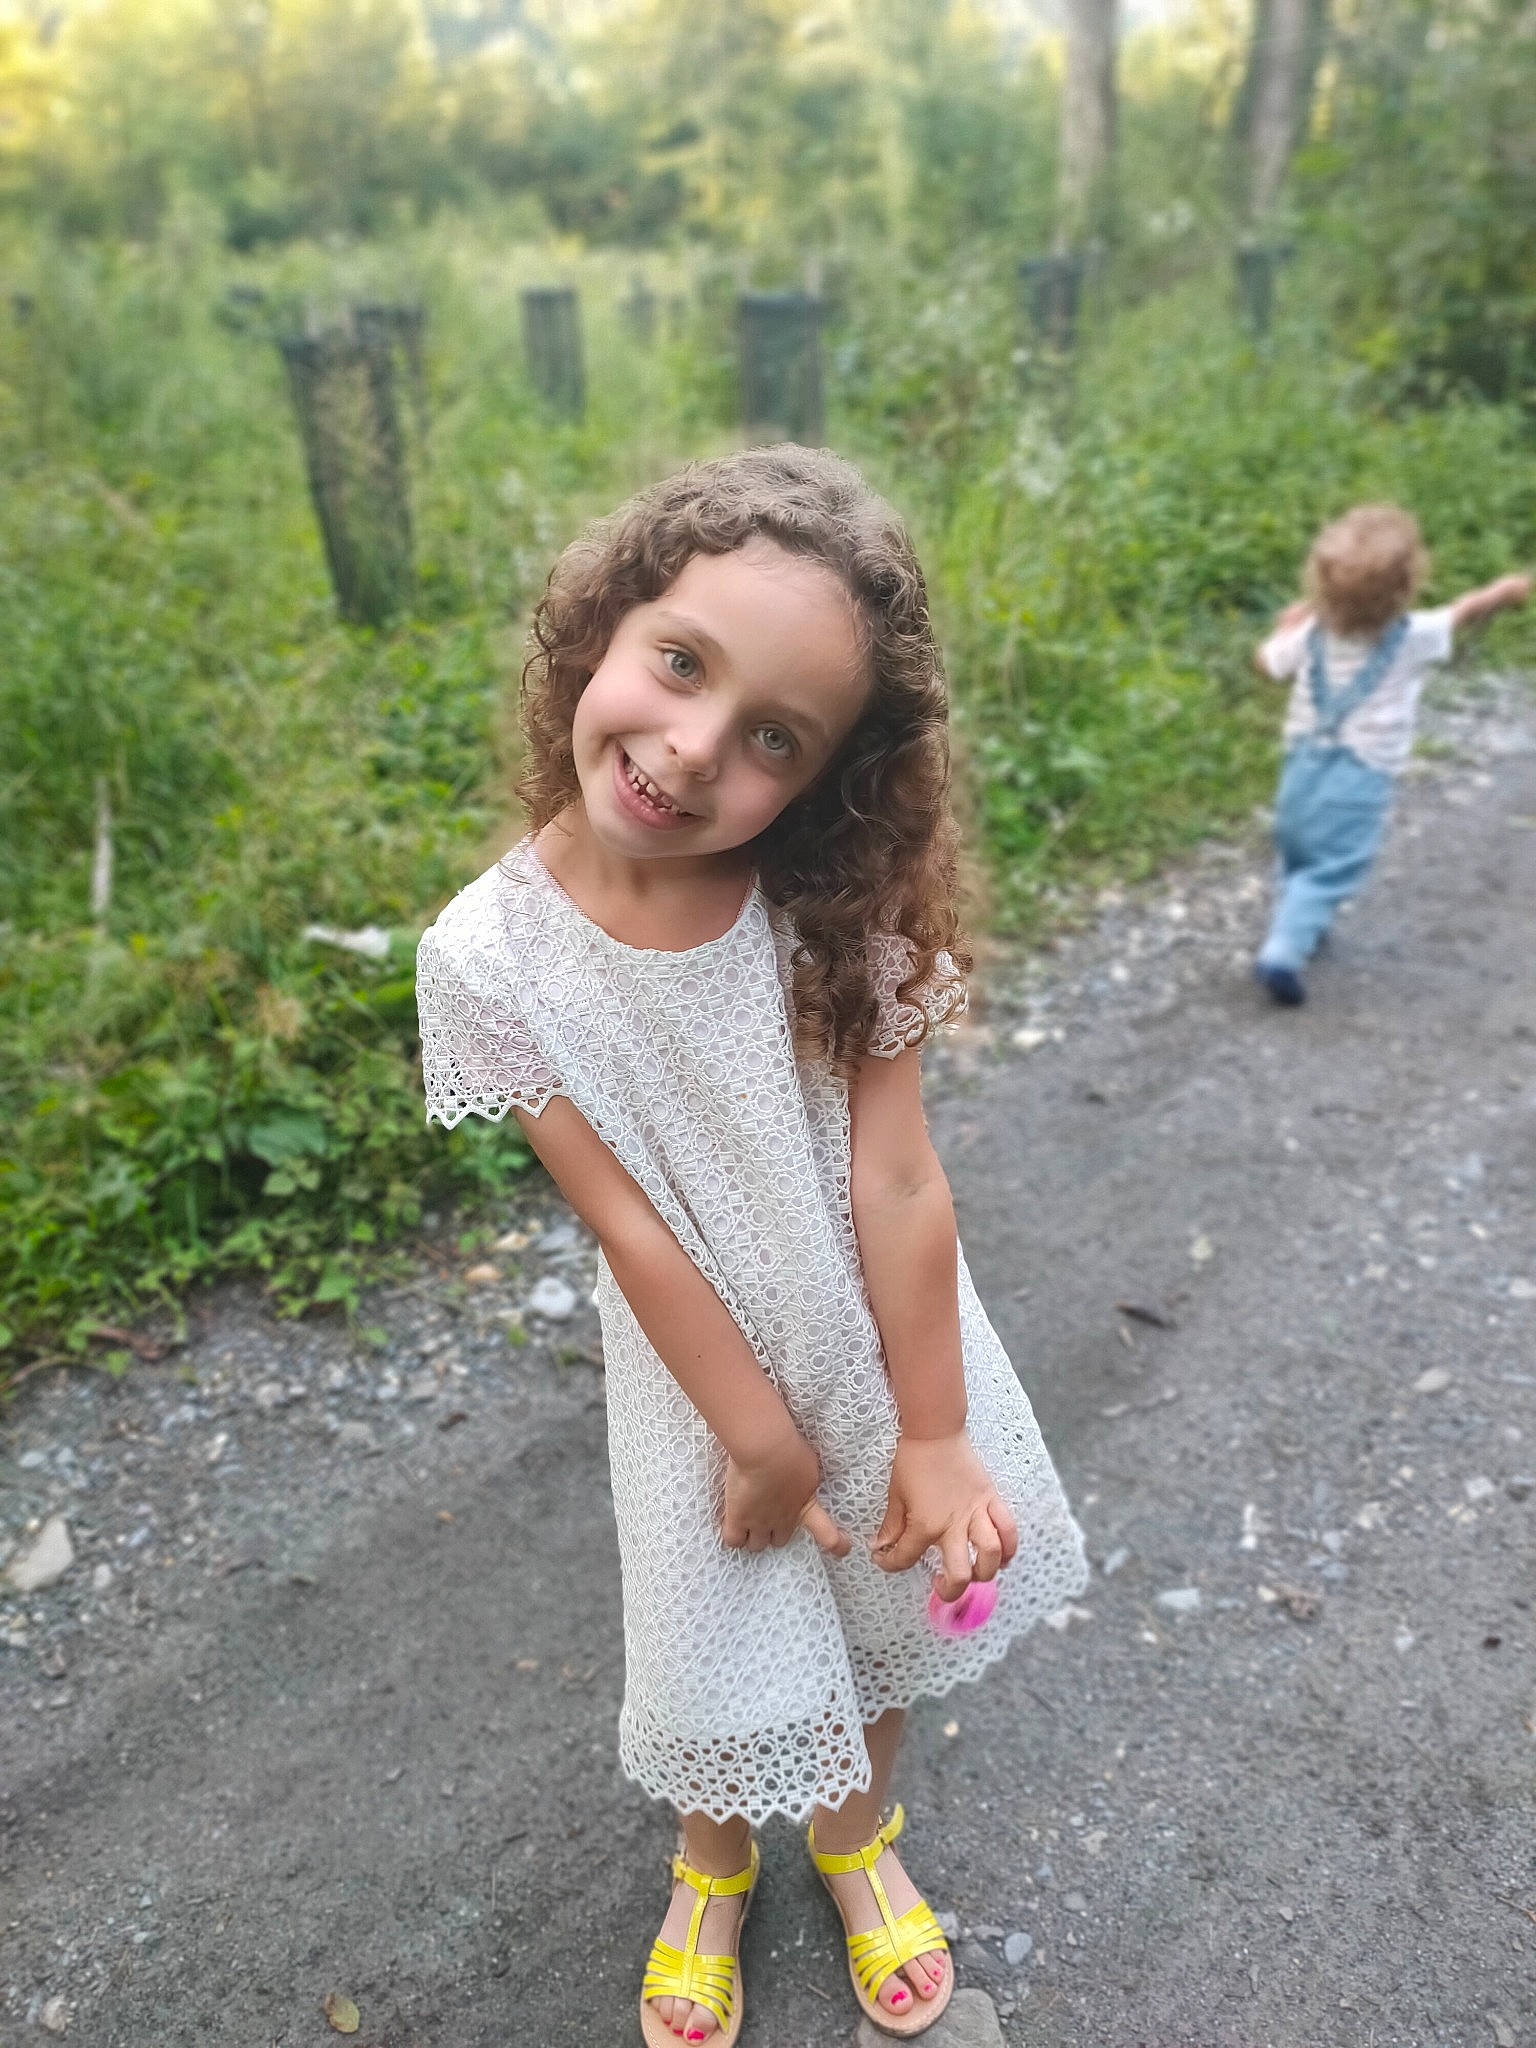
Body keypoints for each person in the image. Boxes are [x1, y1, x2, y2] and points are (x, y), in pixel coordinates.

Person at [415, 445, 1086, 2044]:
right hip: (698, 1378)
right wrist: (756, 1437)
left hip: (886, 1339)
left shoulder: (827, 910)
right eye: (678, 662)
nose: (691, 747)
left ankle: (857, 1840)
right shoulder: (485, 958)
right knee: (723, 1646)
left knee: (886, 1623)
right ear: (603, 624)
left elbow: (902, 1183)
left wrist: (931, 1431)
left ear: (829, 777)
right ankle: (712, 1862)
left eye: (770, 736)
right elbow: (631, 1231)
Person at [1253, 503, 1530, 1005]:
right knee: (1336, 865)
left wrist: (1282, 627)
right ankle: (1284, 950)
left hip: (1301, 767)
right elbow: (1465, 611)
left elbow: (1266, 666)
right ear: (1406, 587)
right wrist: (1503, 593)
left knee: (1300, 850)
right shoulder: (1414, 635)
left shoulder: (1308, 634)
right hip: (1362, 774)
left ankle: (1300, 925)